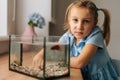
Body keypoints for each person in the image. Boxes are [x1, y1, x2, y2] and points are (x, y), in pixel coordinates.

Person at [33, 0, 118, 79]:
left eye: (86, 21)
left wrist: (54, 59)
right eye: (75, 20)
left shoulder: (95, 35)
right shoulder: (69, 35)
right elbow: (55, 47)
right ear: (69, 21)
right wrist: (41, 54)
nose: (79, 26)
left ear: (94, 23)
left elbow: (79, 62)